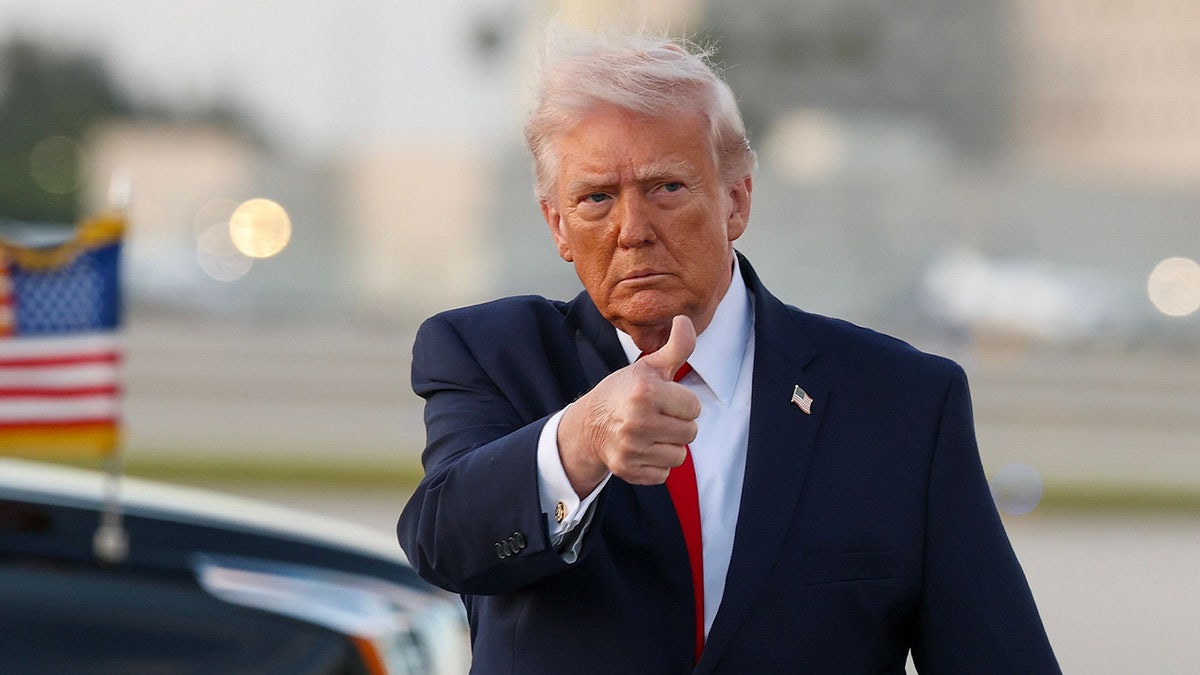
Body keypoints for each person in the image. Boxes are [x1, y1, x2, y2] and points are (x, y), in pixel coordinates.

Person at [397, 26, 1059, 674]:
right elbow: (444, 541)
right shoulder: (490, 355)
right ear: (558, 225)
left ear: (736, 200)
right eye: (596, 198)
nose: (633, 230)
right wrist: (583, 438)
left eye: (666, 188)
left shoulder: (901, 402)